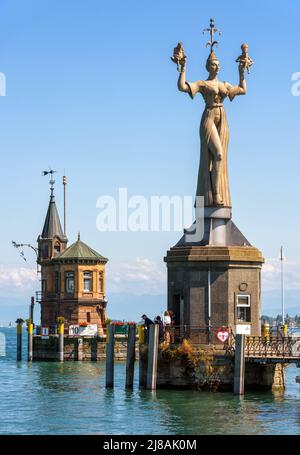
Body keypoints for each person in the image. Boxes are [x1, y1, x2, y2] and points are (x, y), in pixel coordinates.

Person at [176, 47, 247, 207]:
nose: (218, 67)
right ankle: (215, 195)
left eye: (219, 64)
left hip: (222, 119)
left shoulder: (224, 85)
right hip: (208, 118)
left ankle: (218, 192)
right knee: (218, 155)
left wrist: (241, 72)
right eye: (214, 64)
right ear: (208, 66)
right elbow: (182, 87)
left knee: (221, 157)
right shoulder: (203, 84)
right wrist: (183, 68)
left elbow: (243, 90)